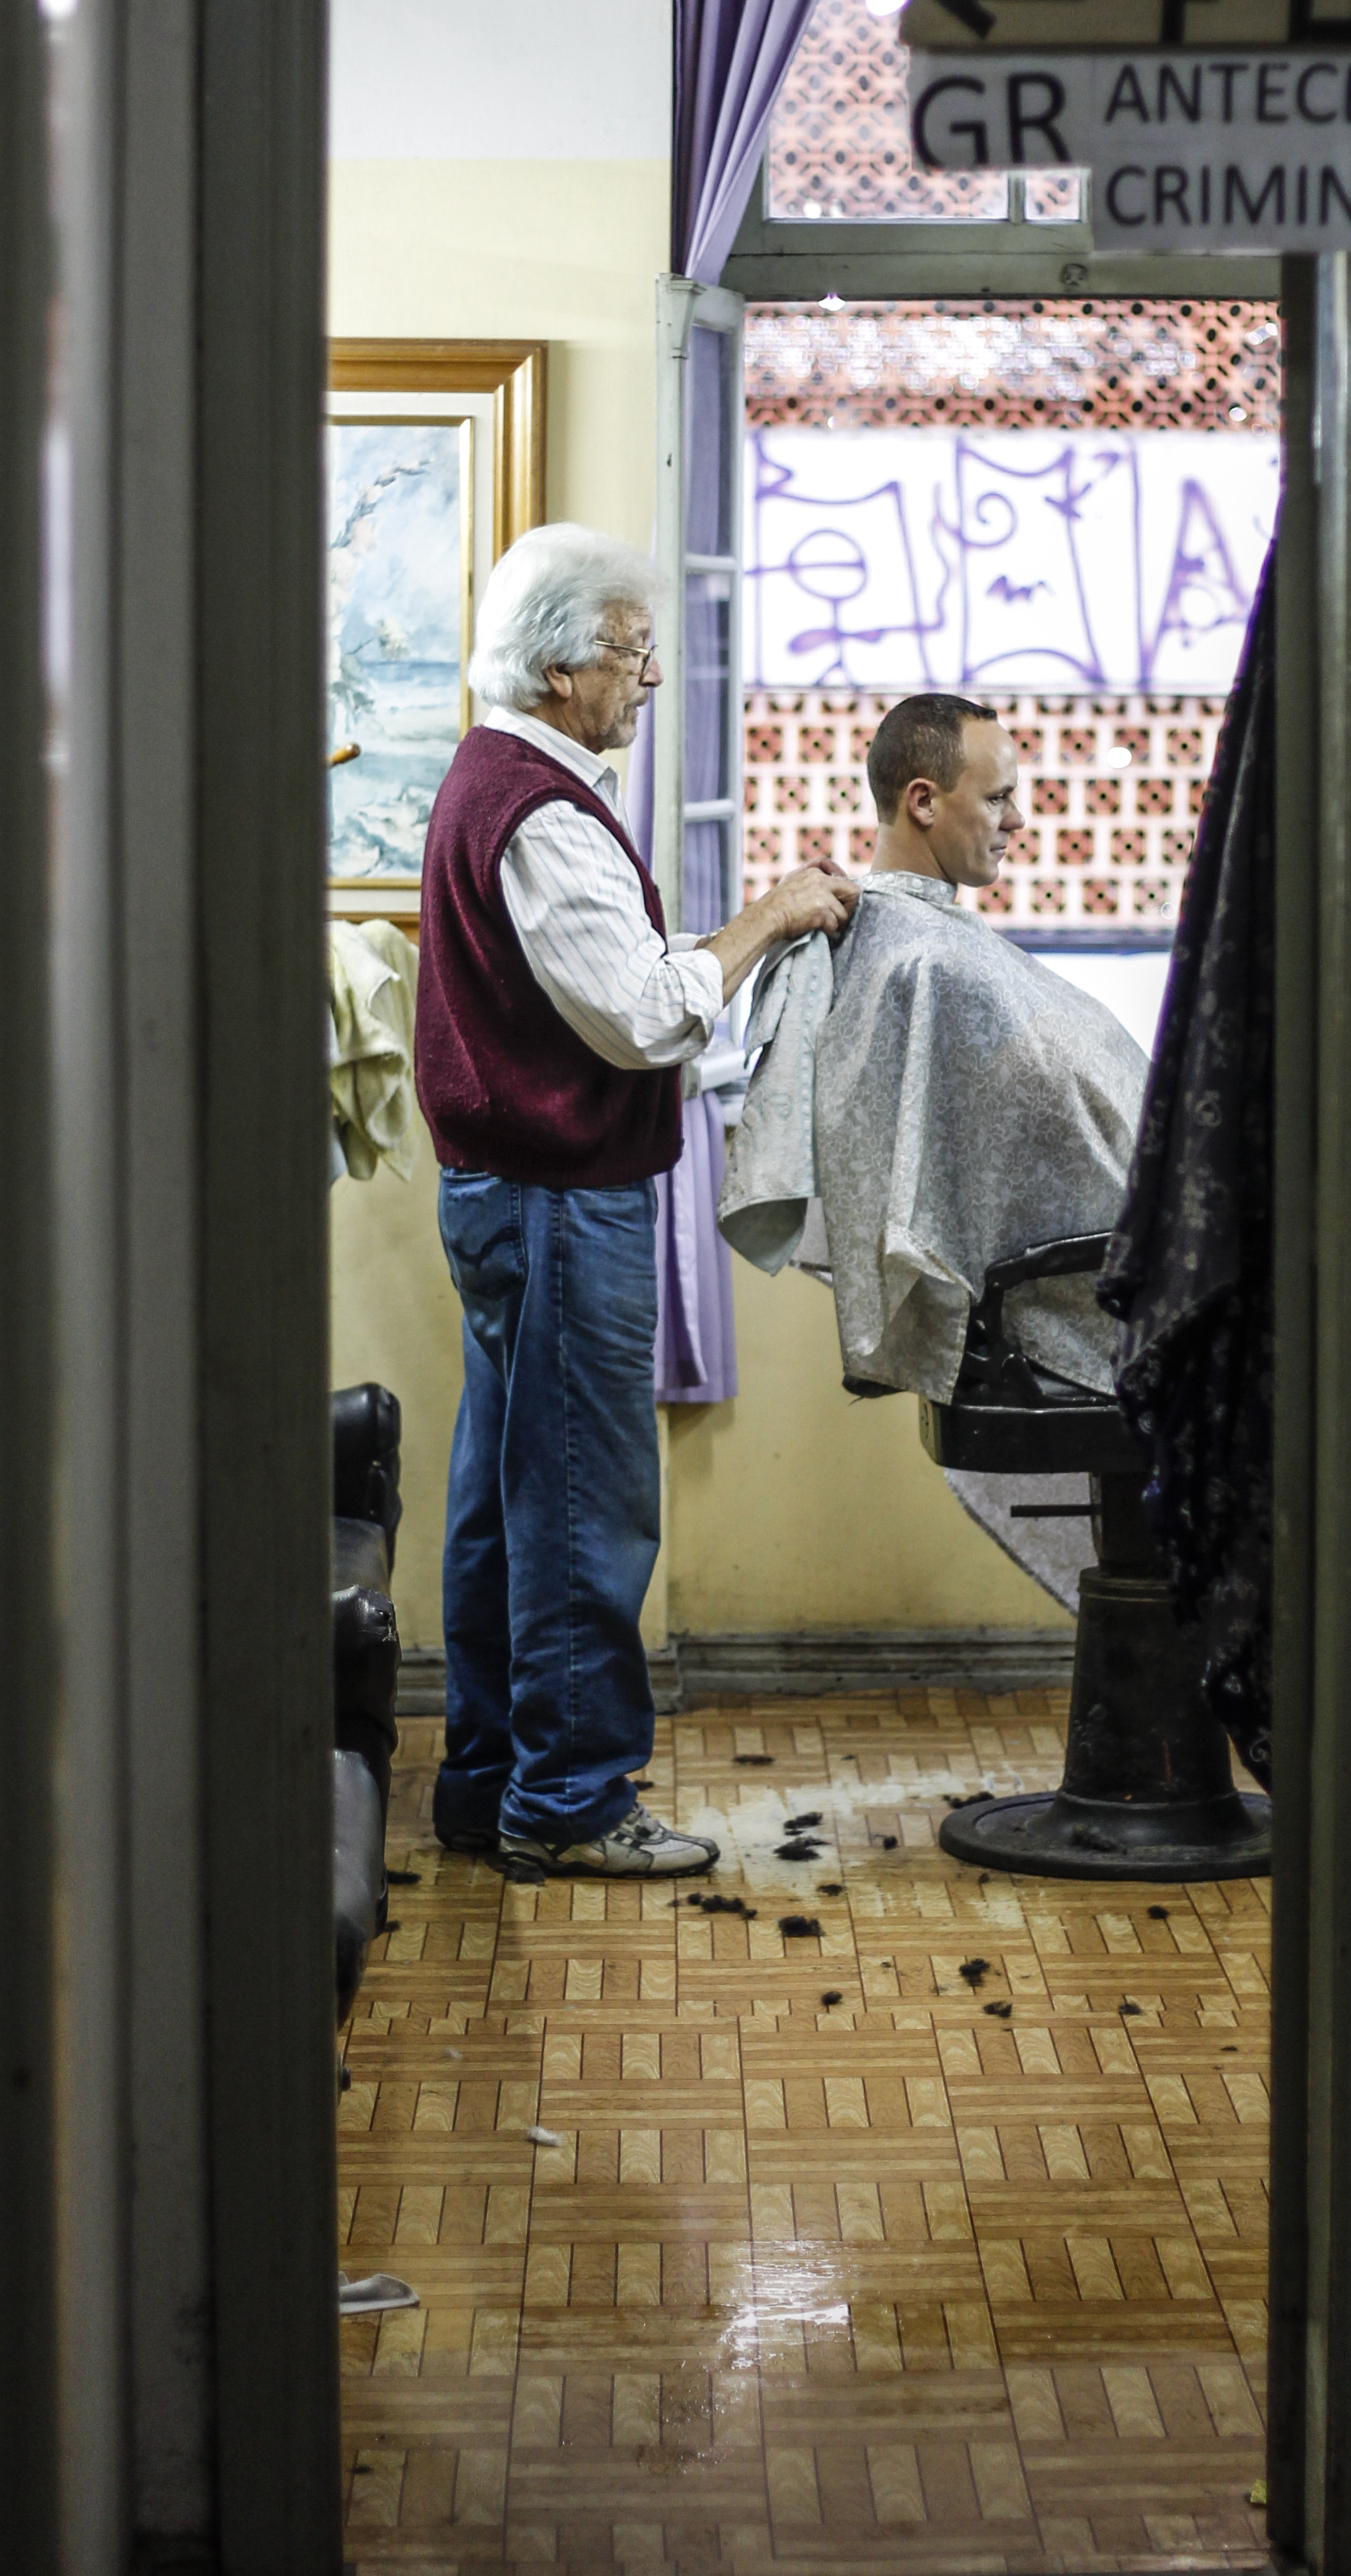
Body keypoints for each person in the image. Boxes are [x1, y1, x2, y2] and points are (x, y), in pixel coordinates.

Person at [414, 523, 856, 1874]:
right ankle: (571, 1808)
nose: (647, 676)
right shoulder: (540, 810)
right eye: (627, 649)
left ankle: (493, 1785)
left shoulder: (500, 781)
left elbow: (616, 986)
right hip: (558, 1205)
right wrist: (770, 917)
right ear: (558, 668)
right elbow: (646, 1015)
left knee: (506, 1503)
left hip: (515, 1196)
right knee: (582, 1514)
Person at [717, 692, 1152, 1400]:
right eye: (999, 798)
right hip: (1106, 1290)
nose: (1018, 819)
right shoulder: (930, 964)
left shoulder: (899, 942)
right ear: (924, 801)